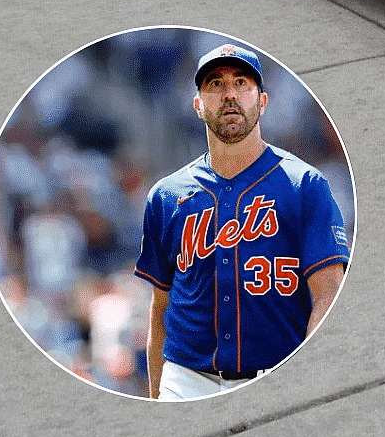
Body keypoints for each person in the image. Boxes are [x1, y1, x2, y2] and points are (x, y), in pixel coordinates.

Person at [134, 44, 349, 401]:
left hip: (277, 372)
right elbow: (161, 308)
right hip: (186, 379)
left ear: (262, 102)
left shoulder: (305, 185)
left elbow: (328, 295)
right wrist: (158, 399)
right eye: (215, 84)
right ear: (198, 105)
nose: (230, 94)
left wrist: (308, 379)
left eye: (242, 83)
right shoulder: (166, 195)